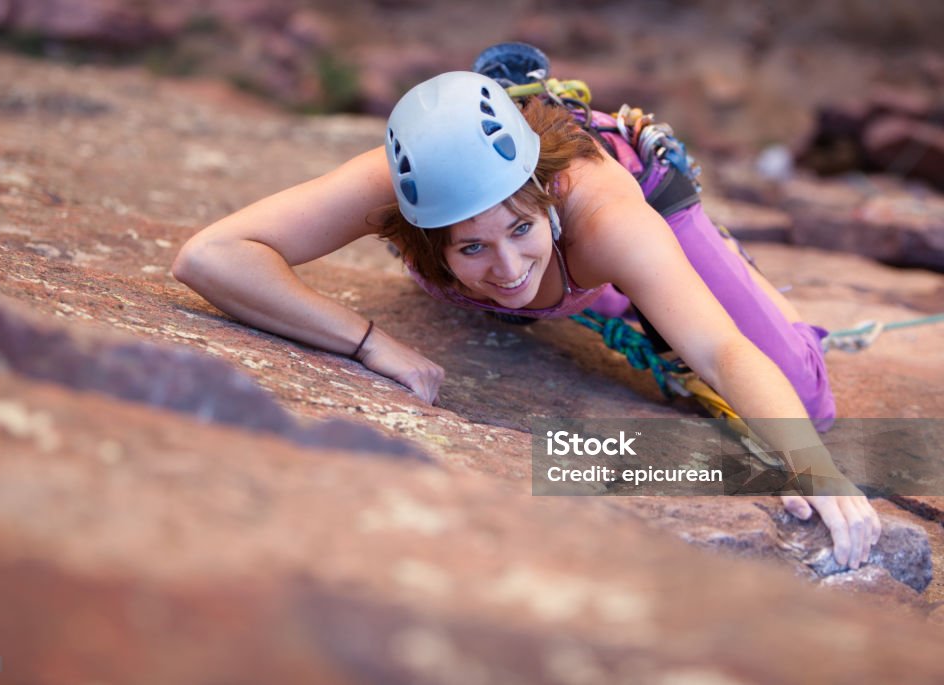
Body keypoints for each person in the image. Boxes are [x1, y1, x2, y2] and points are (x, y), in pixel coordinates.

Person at [172, 68, 881, 569]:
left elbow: (722, 350)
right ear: (425, 232)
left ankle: (685, 269)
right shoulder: (394, 188)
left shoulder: (606, 217)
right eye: (471, 246)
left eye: (520, 228)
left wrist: (809, 467)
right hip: (582, 259)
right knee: (584, 287)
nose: (507, 267)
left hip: (644, 195)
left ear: (544, 195)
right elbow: (211, 256)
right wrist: (369, 343)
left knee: (805, 397)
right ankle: (620, 290)